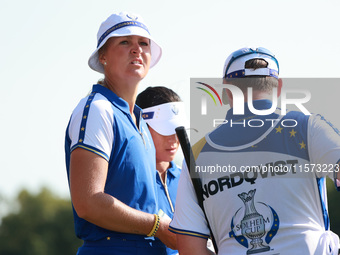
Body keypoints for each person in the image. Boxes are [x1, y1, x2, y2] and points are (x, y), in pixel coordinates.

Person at [169, 47, 340, 254]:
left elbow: (190, 249)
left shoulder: (196, 153)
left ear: (226, 92)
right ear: (279, 88)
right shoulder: (308, 126)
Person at [64, 12, 176, 254]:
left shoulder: (140, 121)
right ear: (102, 56)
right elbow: (88, 202)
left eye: (143, 43)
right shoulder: (97, 108)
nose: (136, 50)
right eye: (125, 42)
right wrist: (157, 226)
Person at [136, 86, 187, 255]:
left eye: (178, 129)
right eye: (165, 130)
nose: (174, 138)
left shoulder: (187, 178)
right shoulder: (130, 181)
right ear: (141, 127)